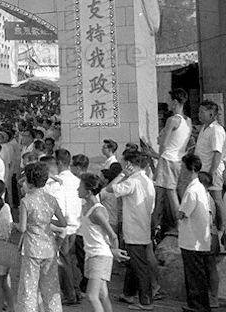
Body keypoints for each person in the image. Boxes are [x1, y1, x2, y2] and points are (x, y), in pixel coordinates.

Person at [106, 150, 155, 310]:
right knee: (132, 263)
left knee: (139, 265)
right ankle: (128, 293)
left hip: (134, 229)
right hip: (142, 226)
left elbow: (109, 189)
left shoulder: (132, 181)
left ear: (129, 165)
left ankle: (145, 301)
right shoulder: (147, 180)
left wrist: (121, 175)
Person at [16, 162, 67, 312]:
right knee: (50, 287)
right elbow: (63, 223)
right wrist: (46, 220)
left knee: (29, 287)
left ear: (29, 182)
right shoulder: (51, 199)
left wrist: (14, 225)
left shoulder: (26, 201)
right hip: (50, 247)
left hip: (32, 248)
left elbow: (23, 228)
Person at [79, 172, 127, 312]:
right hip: (94, 255)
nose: (77, 189)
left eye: (80, 187)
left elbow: (112, 235)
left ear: (88, 191)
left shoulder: (97, 211)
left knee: (92, 296)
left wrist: (115, 251)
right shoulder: (89, 207)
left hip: (99, 256)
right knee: (102, 295)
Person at [178, 154, 214, 312]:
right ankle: (197, 305)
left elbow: (182, 213)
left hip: (192, 241)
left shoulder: (193, 190)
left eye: (182, 166)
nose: (180, 170)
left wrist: (173, 193)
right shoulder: (198, 188)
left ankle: (198, 306)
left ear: (189, 168)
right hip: (195, 240)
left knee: (194, 276)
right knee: (196, 275)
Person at [154, 89, 193, 235]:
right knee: (169, 193)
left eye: (171, 101)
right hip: (180, 158)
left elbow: (162, 143)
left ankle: (179, 225)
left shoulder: (172, 120)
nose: (170, 104)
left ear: (175, 102)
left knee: (170, 193)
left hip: (168, 158)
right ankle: (160, 224)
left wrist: (158, 161)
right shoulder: (188, 121)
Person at [53, 148, 82, 305]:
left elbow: (59, 206)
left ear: (58, 163)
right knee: (70, 260)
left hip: (63, 226)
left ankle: (70, 294)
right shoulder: (76, 180)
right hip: (75, 225)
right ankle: (75, 291)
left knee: (63, 262)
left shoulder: (60, 182)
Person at [194, 100, 225, 231]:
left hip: (211, 170)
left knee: (216, 200)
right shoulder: (205, 129)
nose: (199, 114)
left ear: (212, 114)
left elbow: (217, 153)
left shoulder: (216, 130)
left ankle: (222, 229)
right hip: (202, 170)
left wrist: (211, 173)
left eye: (202, 112)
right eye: (199, 111)